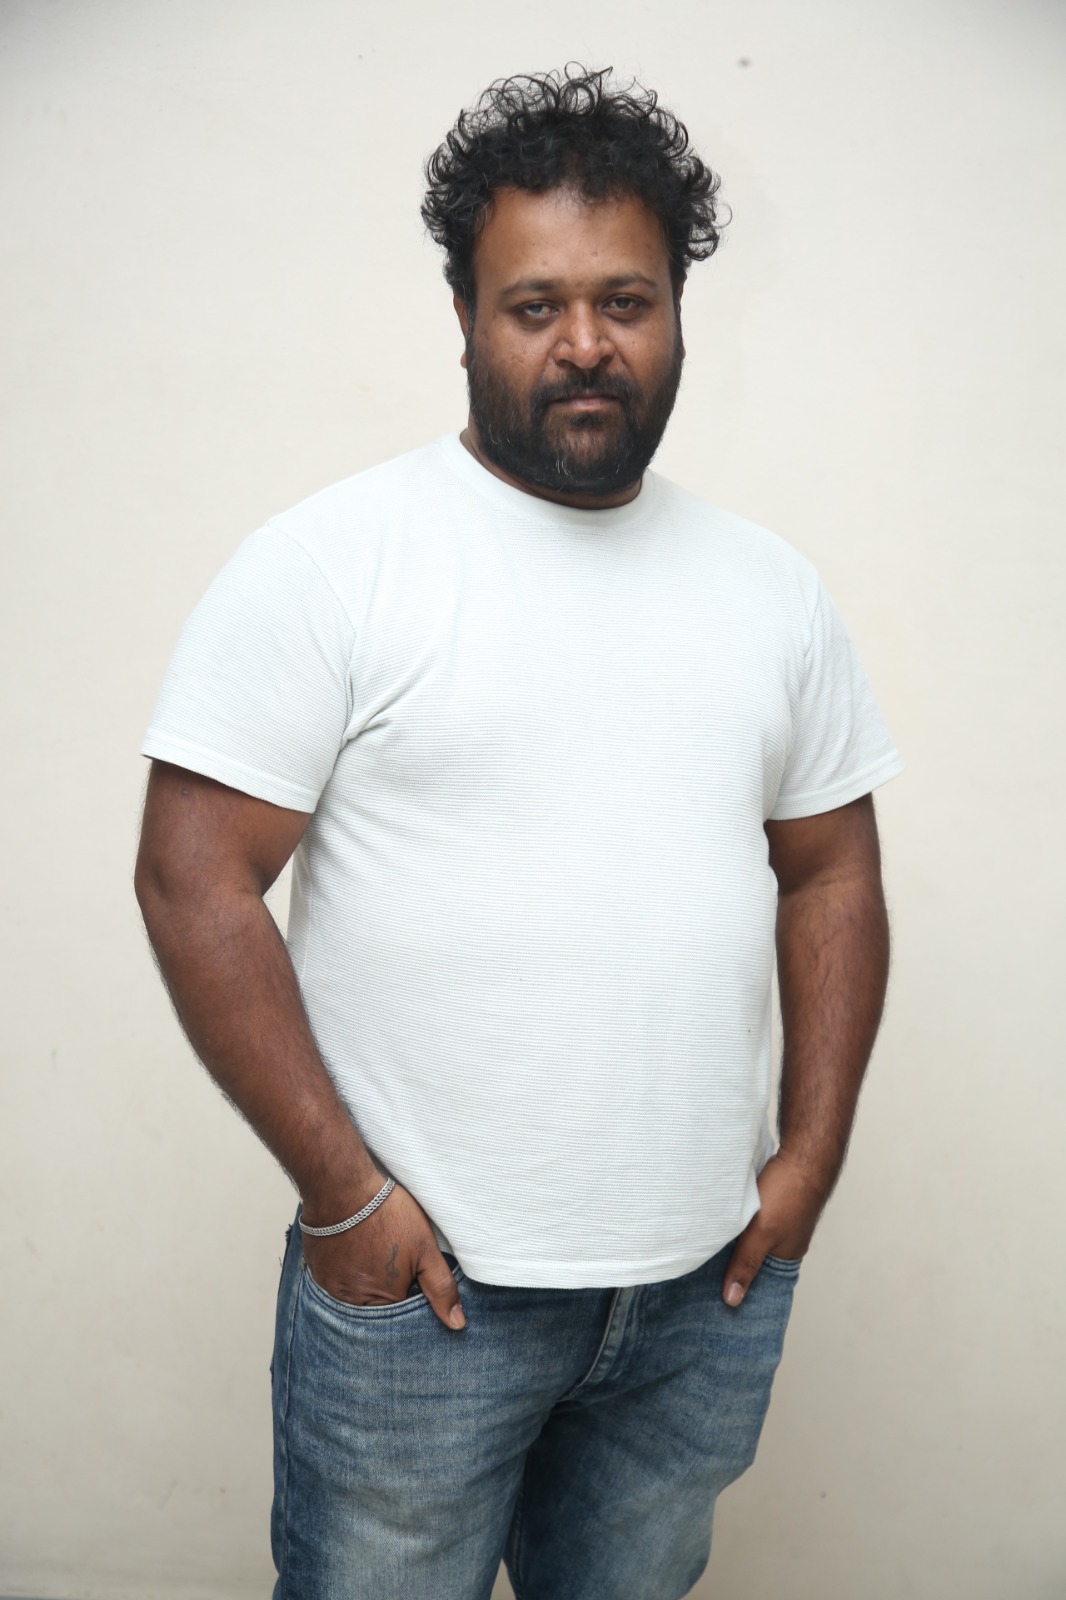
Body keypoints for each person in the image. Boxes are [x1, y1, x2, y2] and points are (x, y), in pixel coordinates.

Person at [135, 66, 902, 1600]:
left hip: (699, 1293)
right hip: (426, 1295)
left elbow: (830, 870)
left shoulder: (768, 590)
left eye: (624, 301)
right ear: (465, 317)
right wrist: (346, 1200)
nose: (584, 344)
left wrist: (810, 1160)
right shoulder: (337, 563)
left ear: (676, 316)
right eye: (533, 305)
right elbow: (191, 876)